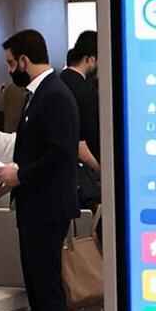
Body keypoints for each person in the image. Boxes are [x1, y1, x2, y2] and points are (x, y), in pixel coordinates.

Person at [0, 29, 78, 311]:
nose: (11, 70)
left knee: (47, 291)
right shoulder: (38, 95)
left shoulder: (55, 95)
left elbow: (60, 153)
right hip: (33, 204)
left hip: (47, 206)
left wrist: (20, 174)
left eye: (12, 63)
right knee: (36, 287)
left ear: (25, 60)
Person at [60, 31, 101, 211]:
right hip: (83, 176)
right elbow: (81, 141)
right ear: (90, 59)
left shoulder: (56, 83)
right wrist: (100, 169)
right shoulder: (86, 91)